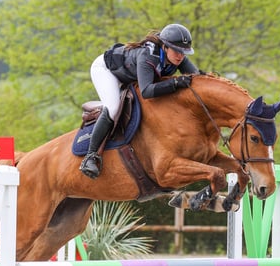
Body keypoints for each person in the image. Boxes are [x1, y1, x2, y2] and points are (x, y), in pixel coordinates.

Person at [79, 23, 199, 179]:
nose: (181, 56)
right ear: (165, 47)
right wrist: (175, 83)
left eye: (184, 52)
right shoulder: (148, 56)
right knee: (113, 107)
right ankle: (91, 156)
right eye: (177, 51)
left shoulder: (177, 57)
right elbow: (147, 91)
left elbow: (196, 78)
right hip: (106, 70)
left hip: (127, 73)